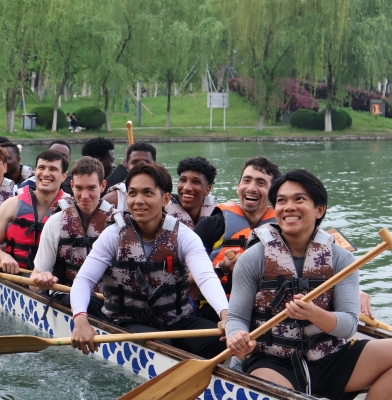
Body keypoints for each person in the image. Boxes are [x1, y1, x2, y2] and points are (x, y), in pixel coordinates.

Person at [226, 169, 392, 399]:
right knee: (270, 391)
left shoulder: (342, 259)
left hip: (331, 358)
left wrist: (313, 314)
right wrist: (237, 336)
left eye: (299, 199)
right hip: (273, 362)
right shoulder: (253, 258)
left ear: (319, 210)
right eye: (281, 201)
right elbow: (236, 318)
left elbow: (349, 325)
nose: (288, 207)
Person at [70, 163, 228, 359]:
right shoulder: (112, 234)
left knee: (218, 341)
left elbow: (205, 277)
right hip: (126, 321)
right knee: (161, 346)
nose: (138, 201)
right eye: (132, 193)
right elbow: (84, 280)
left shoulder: (184, 236)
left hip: (174, 321)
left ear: (165, 199)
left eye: (147, 193)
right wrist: (80, 320)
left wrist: (225, 314)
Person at [193, 156, 281, 323]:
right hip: (216, 314)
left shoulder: (285, 231)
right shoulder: (210, 226)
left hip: (267, 317)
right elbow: (185, 284)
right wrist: (222, 268)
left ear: (274, 194)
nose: (251, 188)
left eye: (261, 183)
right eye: (246, 181)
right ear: (238, 186)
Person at [30, 156, 112, 319]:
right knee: (89, 301)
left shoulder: (116, 225)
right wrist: (41, 280)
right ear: (72, 186)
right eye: (79, 188)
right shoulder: (56, 222)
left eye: (91, 188)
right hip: (66, 296)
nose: (84, 195)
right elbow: (34, 286)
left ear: (103, 186)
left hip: (107, 302)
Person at [0, 150, 70, 273]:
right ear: (35, 171)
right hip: (13, 276)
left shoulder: (70, 211)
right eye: (41, 168)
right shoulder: (12, 204)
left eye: (53, 169)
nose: (45, 174)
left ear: (64, 176)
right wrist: (4, 257)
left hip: (52, 281)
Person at [166, 157, 219, 229]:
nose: (186, 188)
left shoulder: (217, 220)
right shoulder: (160, 214)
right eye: (183, 180)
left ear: (207, 190)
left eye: (195, 182)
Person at [102, 142, 156, 211]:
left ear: (155, 166)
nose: (140, 166)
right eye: (135, 162)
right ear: (127, 167)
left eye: (146, 162)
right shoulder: (113, 199)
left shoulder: (164, 195)